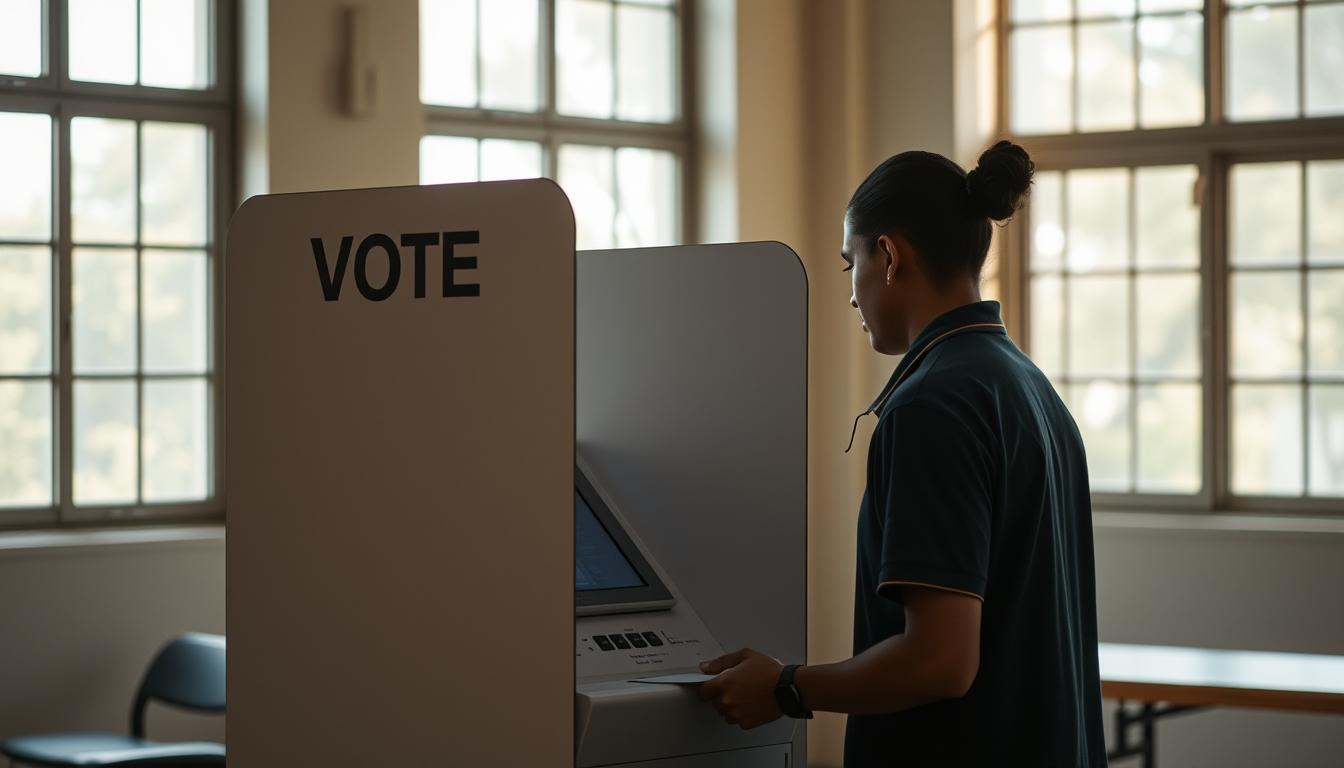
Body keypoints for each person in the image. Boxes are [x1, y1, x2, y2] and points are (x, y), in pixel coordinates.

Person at [696, 141, 1107, 767]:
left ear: (888, 256)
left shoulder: (932, 407)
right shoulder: (1025, 385)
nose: (852, 297)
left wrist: (785, 687)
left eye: (848, 265)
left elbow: (940, 662)